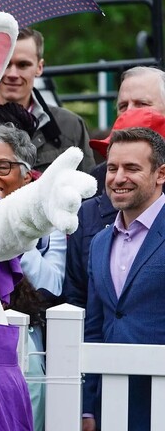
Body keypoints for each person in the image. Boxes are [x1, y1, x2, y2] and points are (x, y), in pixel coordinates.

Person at [0, 122, 66, 431]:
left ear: (27, 175)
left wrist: (16, 230)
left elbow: (51, 286)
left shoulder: (48, 221)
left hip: (28, 347)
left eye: (3, 167)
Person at [82, 127, 165, 431]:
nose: (118, 178)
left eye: (131, 168)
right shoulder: (99, 243)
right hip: (112, 404)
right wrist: (87, 407)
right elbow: (95, 328)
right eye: (112, 168)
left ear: (160, 174)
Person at [63, 68, 165, 308]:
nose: (130, 113)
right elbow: (78, 299)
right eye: (123, 106)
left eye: (142, 104)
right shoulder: (92, 194)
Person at [0, 27, 95, 173]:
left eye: (23, 65)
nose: (12, 74)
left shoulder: (70, 126)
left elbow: (89, 183)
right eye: (6, 63)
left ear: (39, 67)